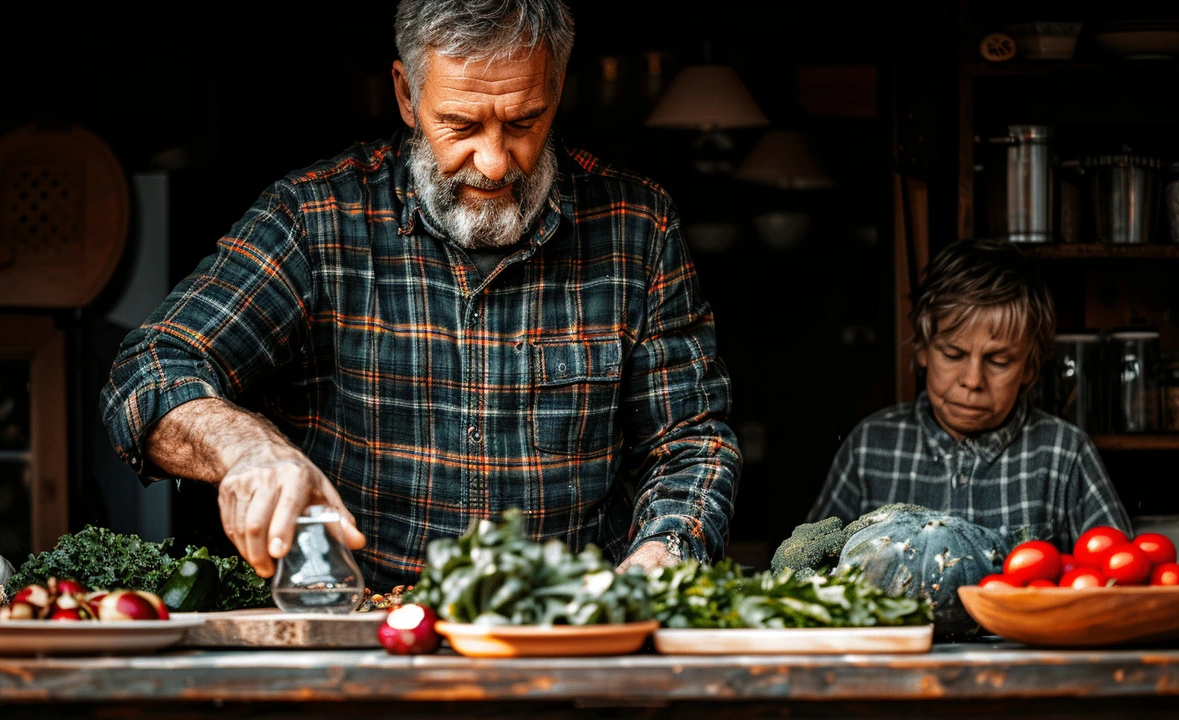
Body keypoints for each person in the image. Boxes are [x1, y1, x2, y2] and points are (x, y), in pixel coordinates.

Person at [100, 0, 740, 589]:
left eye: (524, 120)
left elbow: (689, 440)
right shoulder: (314, 217)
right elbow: (149, 371)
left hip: (564, 635)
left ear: (557, 88)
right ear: (407, 94)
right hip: (354, 637)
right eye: (460, 123)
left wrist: (663, 554)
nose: (494, 161)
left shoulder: (637, 225)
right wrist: (247, 449)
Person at [808, 238, 1131, 550]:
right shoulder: (870, 447)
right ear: (922, 349)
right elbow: (806, 574)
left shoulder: (1065, 455)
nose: (973, 380)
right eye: (952, 354)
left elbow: (1121, 581)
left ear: (1030, 368)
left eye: (999, 361)